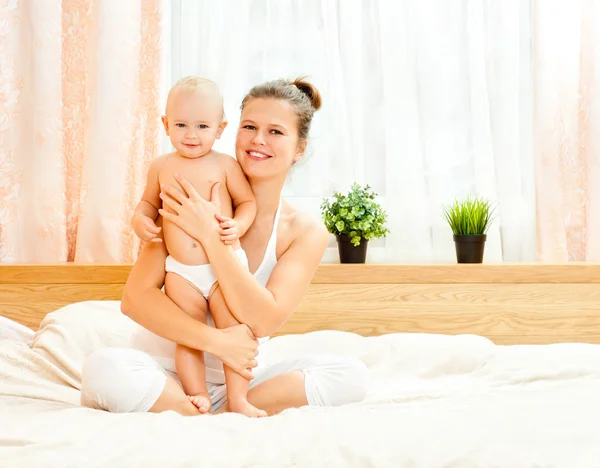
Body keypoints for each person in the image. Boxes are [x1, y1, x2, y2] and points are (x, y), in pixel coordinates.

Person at [80, 77, 369, 417]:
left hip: (245, 378)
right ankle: (190, 404)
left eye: (276, 132)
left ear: (300, 148)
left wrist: (211, 238)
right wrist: (215, 342)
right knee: (103, 368)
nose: (258, 140)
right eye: (250, 127)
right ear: (232, 131)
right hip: (166, 373)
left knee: (351, 377)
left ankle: (216, 409)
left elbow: (263, 321)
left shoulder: (303, 231)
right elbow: (135, 300)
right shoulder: (186, 191)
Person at [131, 76, 263, 417]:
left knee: (235, 330)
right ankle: (198, 395)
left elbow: (247, 202)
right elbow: (147, 204)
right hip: (181, 271)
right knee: (188, 335)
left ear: (219, 129)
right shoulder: (161, 166)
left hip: (222, 267)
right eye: (181, 125)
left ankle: (238, 400)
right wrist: (139, 220)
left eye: (202, 126)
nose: (191, 134)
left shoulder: (225, 165)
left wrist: (239, 224)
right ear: (165, 124)